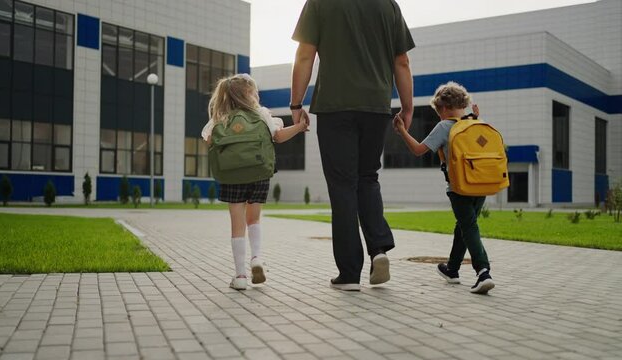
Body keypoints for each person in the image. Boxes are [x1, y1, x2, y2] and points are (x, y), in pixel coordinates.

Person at [290, 0, 416, 291]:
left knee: (343, 186)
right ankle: (379, 249)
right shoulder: (388, 5)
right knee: (368, 178)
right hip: (375, 106)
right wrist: (407, 107)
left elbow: (305, 55)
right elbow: (402, 61)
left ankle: (349, 274)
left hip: (335, 107)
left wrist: (296, 103)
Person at [202, 73, 309, 290]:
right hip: (259, 174)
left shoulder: (220, 118)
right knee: (254, 219)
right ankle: (257, 258)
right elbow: (278, 136)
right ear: (250, 94)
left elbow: (210, 140)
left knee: (237, 224)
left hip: (232, 176)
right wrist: (299, 127)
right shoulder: (261, 115)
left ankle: (240, 276)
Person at [393, 82, 495, 294]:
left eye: (438, 111)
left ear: (445, 107)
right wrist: (477, 117)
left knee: (469, 227)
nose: (439, 115)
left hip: (458, 188)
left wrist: (402, 130)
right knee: (465, 226)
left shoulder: (444, 126)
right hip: (482, 184)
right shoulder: (475, 122)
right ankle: (452, 269)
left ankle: (483, 271)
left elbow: (418, 150)